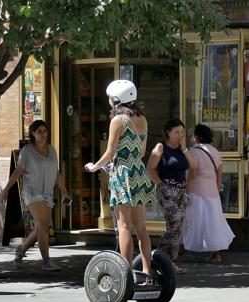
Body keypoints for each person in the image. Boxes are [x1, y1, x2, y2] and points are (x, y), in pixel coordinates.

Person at [85, 80, 156, 280]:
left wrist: (95, 166)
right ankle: (147, 271)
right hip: (138, 172)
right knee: (141, 227)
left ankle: (125, 274)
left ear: (116, 99)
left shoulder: (118, 120)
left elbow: (109, 152)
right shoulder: (142, 119)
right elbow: (141, 151)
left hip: (123, 173)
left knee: (124, 226)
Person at [0, 120, 69, 271]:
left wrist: (64, 191)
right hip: (32, 192)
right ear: (33, 134)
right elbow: (17, 172)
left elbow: (56, 173)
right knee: (45, 224)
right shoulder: (27, 151)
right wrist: (5, 190)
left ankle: (21, 250)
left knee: (40, 227)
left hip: (48, 193)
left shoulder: (52, 150)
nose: (43, 134)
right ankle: (46, 261)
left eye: (45, 131)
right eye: (39, 132)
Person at [146, 118, 196, 273]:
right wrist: (161, 185)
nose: (180, 135)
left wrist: (185, 149)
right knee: (174, 222)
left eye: (182, 132)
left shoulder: (182, 150)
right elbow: (150, 168)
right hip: (167, 190)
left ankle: (166, 261)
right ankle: (160, 257)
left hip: (181, 190)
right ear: (168, 133)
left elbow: (193, 166)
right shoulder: (161, 148)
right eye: (176, 132)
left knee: (176, 226)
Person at [182, 124, 235, 263]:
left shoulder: (193, 151)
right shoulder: (215, 151)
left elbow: (191, 173)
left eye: (193, 135)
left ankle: (179, 250)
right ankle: (215, 253)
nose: (191, 138)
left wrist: (186, 191)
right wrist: (217, 190)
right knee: (213, 222)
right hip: (212, 193)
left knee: (189, 220)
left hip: (196, 191)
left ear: (197, 137)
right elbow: (219, 173)